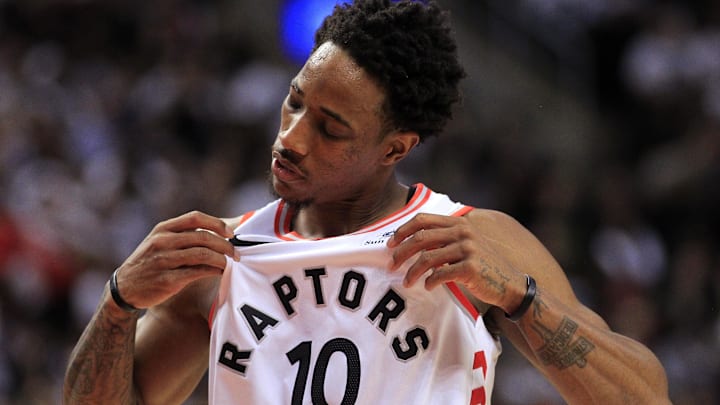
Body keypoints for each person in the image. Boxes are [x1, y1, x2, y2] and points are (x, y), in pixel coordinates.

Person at [63, 1, 671, 404]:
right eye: (295, 101)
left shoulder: (468, 240)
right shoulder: (221, 258)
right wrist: (117, 307)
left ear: (394, 148)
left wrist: (519, 298)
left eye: (330, 129)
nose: (291, 137)